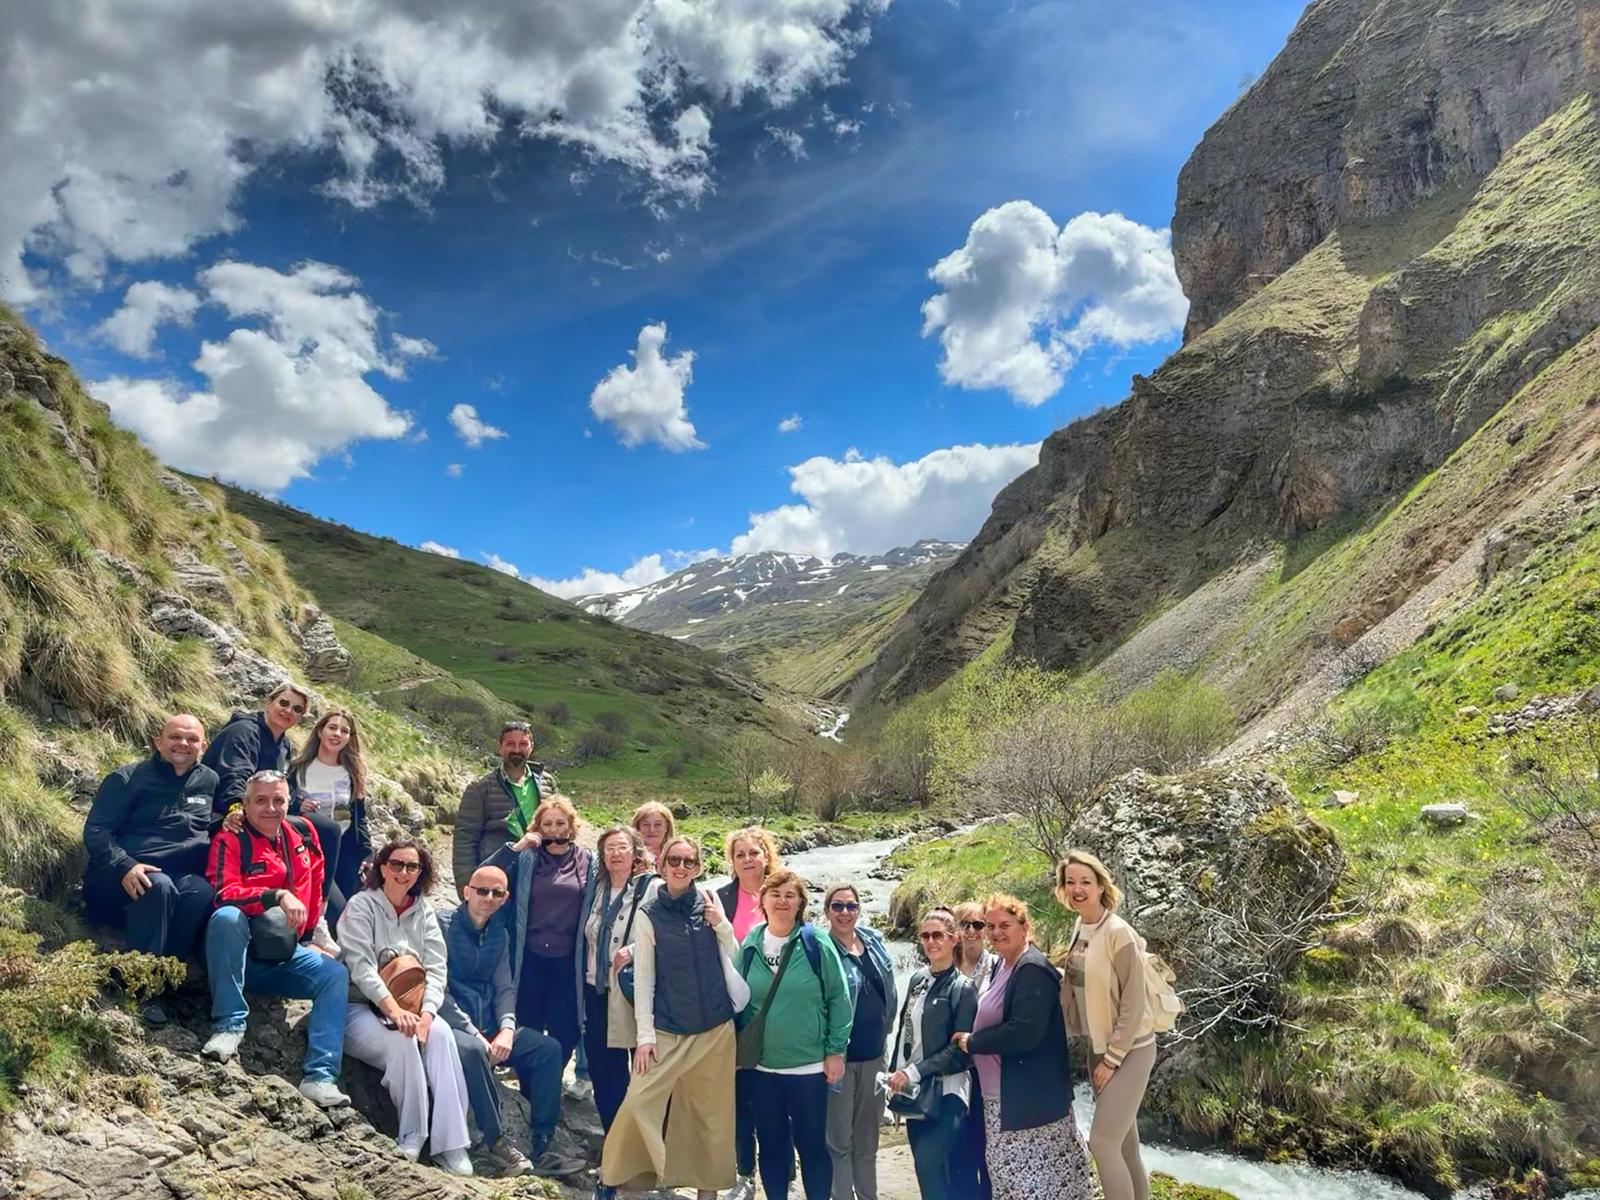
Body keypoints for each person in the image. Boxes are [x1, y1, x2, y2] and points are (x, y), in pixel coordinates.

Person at [597, 835, 747, 1200]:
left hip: (714, 1029)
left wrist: (720, 925)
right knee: (638, 1101)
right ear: (662, 865)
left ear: (698, 867)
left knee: (710, 1117)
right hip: (666, 1030)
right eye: (675, 861)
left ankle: (706, 1193)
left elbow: (735, 956)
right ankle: (625, 1183)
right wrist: (645, 1036)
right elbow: (644, 976)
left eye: (689, 862)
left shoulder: (710, 901)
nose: (681, 867)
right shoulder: (649, 913)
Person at [201, 770, 350, 1109]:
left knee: (334, 976)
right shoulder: (231, 838)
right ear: (245, 804)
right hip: (240, 953)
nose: (270, 808)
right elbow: (223, 893)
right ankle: (229, 1025)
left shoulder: (303, 831)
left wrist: (310, 934)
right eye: (261, 801)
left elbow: (316, 881)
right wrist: (274, 895)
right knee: (227, 917)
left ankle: (320, 1077)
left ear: (289, 801)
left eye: (279, 800)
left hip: (286, 953)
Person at [340, 839, 475, 1176]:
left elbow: (436, 966)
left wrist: (428, 1014)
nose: (404, 872)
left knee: (442, 1036)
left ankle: (452, 1145)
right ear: (381, 867)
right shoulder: (361, 906)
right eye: (396, 864)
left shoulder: (423, 910)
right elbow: (361, 967)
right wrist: (392, 1010)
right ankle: (412, 1133)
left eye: (412, 866)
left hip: (414, 1008)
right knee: (402, 1041)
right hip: (358, 1007)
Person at [439, 864, 579, 1178]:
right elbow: (439, 990)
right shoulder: (440, 925)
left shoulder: (499, 934)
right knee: (474, 1053)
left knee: (548, 1049)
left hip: (489, 1024)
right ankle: (496, 1141)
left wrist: (507, 1028)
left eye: (496, 893)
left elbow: (504, 987)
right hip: (452, 1027)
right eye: (482, 891)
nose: (488, 898)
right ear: (466, 892)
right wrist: (475, 1033)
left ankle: (542, 1140)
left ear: (505, 898)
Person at [951, 895, 1093, 1200]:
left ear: (1024, 926)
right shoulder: (1003, 964)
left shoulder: (1032, 969)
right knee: (1015, 1184)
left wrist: (971, 1042)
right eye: (990, 926)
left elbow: (1024, 1033)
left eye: (1005, 925)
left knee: (1031, 1186)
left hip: (1028, 1105)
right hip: (1006, 1099)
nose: (996, 932)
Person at [82, 714, 219, 1025]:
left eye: (192, 739)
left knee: (200, 891)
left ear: (203, 746)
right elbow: (96, 830)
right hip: (117, 878)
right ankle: (140, 989)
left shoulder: (208, 780)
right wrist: (125, 866)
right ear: (158, 741)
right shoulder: (127, 778)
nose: (183, 744)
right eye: (175, 737)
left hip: (176, 875)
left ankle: (165, 978)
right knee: (156, 885)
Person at [736, 868, 852, 1200]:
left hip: (808, 1069)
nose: (782, 901)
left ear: (800, 902)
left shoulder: (817, 943)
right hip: (762, 1069)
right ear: (762, 900)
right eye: (775, 894)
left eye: (790, 895)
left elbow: (839, 999)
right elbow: (739, 1001)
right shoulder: (750, 944)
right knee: (771, 1146)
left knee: (812, 1147)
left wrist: (835, 1051)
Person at [1057, 851, 1157, 1200]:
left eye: (1085, 881)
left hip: (1129, 1051)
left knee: (1102, 1142)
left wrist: (1112, 1058)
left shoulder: (1119, 932)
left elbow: (1134, 1001)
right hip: (1096, 1048)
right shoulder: (1081, 926)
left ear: (1101, 885)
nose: (1077, 889)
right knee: (1125, 1145)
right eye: (1070, 882)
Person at [206, 683, 344, 916]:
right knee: (328, 830)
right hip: (228, 810)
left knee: (323, 830)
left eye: (297, 709)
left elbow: (283, 783)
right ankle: (318, 911)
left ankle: (318, 903)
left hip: (265, 812)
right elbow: (233, 775)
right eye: (283, 703)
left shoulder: (284, 745)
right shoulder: (243, 732)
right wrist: (236, 807)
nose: (288, 710)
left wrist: (299, 804)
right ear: (269, 703)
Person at [485, 795, 594, 1070]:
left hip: (568, 960)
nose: (555, 829)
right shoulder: (528, 858)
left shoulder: (587, 861)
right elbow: (487, 877)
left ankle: (550, 1082)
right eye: (548, 824)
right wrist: (518, 847)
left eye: (560, 823)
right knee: (528, 1024)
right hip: (529, 955)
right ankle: (530, 1091)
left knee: (566, 1029)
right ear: (538, 827)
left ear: (571, 827)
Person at [885, 908, 977, 1200]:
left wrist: (913, 1072)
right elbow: (904, 1033)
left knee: (930, 1162)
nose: (930, 941)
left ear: (954, 939)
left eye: (937, 935)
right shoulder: (917, 980)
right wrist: (893, 1071)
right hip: (915, 1092)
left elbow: (960, 1053)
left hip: (949, 1092)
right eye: (925, 936)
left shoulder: (964, 987)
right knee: (927, 1173)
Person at [715, 824, 782, 1199]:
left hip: (778, 1008)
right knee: (739, 1096)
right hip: (733, 1009)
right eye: (739, 854)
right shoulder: (721, 897)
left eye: (753, 852)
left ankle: (783, 1173)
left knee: (776, 1093)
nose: (747, 859)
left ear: (766, 855)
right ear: (732, 861)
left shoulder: (784, 892)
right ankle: (744, 1174)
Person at [580, 826, 657, 1133]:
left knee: (642, 1070)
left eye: (622, 847)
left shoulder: (651, 888)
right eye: (609, 848)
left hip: (631, 992)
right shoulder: (595, 888)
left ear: (636, 853)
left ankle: (645, 1142)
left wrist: (635, 949)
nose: (615, 854)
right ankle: (614, 1138)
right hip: (596, 990)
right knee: (603, 1070)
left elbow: (667, 929)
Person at [822, 882, 897, 1200]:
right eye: (837, 906)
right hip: (840, 1061)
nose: (844, 913)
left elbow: (889, 992)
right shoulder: (822, 949)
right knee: (839, 1143)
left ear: (859, 909)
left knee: (867, 1142)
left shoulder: (874, 941)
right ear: (826, 911)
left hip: (875, 1057)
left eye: (851, 906)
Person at [287, 707, 371, 924]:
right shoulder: (298, 768)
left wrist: (368, 853)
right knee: (334, 910)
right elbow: (283, 806)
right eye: (332, 728)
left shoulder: (352, 772)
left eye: (344, 731)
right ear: (319, 731)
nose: (337, 734)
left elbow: (360, 817)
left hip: (346, 851)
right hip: (310, 850)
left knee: (351, 911)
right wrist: (298, 805)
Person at [453, 720, 555, 891]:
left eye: (523, 744)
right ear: (500, 747)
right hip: (497, 875)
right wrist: (466, 887)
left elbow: (561, 826)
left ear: (531, 747)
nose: (517, 749)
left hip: (540, 873)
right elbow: (465, 840)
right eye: (510, 744)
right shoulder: (480, 788)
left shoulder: (547, 783)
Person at [950, 900, 996, 1200]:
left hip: (985, 1071)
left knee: (985, 1146)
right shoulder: (944, 963)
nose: (970, 931)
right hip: (950, 1070)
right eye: (964, 924)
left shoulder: (997, 966)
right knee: (956, 1147)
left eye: (978, 925)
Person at [629, 801, 675, 868]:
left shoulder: (677, 856)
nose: (652, 830)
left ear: (667, 827)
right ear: (637, 827)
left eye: (658, 824)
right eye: (646, 824)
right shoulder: (629, 857)